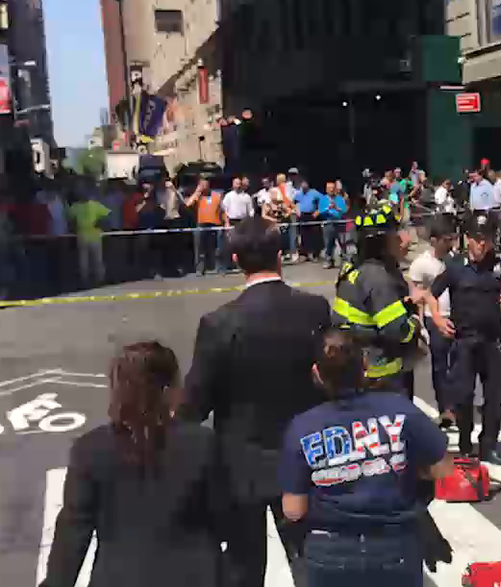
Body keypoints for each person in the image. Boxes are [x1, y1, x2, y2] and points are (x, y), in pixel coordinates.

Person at [179, 217, 332, 587]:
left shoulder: (219, 322)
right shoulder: (314, 309)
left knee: (243, 566)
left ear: (235, 259)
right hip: (305, 455)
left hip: (240, 462)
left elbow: (196, 404)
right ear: (280, 256)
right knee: (308, 558)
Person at [42, 342, 227, 587]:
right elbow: (226, 518)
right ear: (169, 390)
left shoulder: (89, 450)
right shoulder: (203, 444)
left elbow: (73, 533)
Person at [279, 330, 453, 586]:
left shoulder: (303, 427)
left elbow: (293, 510)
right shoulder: (399, 409)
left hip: (329, 550)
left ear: (317, 374)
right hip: (396, 544)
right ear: (365, 366)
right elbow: (444, 468)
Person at [428, 212, 501, 466]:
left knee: (495, 396)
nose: (482, 245)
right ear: (467, 238)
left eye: (487, 239)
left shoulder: (498, 265)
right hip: (464, 341)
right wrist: (437, 318)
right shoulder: (456, 266)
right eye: (478, 239)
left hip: (491, 341)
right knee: (463, 396)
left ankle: (488, 445)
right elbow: (432, 294)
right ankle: (467, 445)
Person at [333, 200, 425, 397]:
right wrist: (416, 322)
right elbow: (396, 330)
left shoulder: (352, 268)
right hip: (383, 378)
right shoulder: (378, 277)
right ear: (382, 242)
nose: (404, 239)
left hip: (359, 370)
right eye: (396, 234)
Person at [408, 214, 458, 426]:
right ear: (434, 240)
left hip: (457, 318)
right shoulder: (421, 264)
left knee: (459, 365)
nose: (450, 244)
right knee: (440, 367)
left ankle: (458, 405)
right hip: (434, 319)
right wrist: (421, 324)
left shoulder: (457, 260)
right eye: (445, 240)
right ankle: (445, 408)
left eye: (452, 239)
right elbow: (417, 296)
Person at [67, 191, 109, 287]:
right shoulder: (93, 205)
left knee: (89, 260)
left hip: (89, 236)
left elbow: (70, 220)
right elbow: (107, 216)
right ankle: (91, 280)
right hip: (88, 236)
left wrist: (101, 223)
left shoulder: (78, 206)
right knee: (89, 260)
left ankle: (93, 279)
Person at [186, 177, 224, 275]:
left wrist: (225, 221)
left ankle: (217, 267)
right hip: (201, 224)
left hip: (215, 223)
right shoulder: (198, 196)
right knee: (200, 248)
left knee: (216, 247)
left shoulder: (217, 195)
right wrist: (197, 192)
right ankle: (199, 268)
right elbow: (188, 204)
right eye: (202, 184)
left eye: (206, 184)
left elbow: (222, 210)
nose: (204, 187)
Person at [318, 181, 349, 268]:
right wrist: (328, 208)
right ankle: (328, 260)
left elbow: (344, 211)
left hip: (339, 223)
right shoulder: (323, 199)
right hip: (328, 223)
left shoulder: (340, 199)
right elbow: (320, 212)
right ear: (326, 190)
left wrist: (336, 208)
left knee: (342, 243)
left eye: (333, 188)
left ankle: (345, 261)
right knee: (328, 243)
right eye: (329, 188)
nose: (331, 190)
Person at [294, 179, 323, 261]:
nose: (303, 185)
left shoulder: (314, 192)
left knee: (314, 235)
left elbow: (324, 201)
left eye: (304, 183)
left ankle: (314, 254)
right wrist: (297, 210)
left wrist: (318, 211)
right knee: (303, 235)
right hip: (302, 215)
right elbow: (295, 202)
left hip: (312, 215)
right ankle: (304, 254)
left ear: (307, 184)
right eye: (301, 183)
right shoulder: (299, 193)